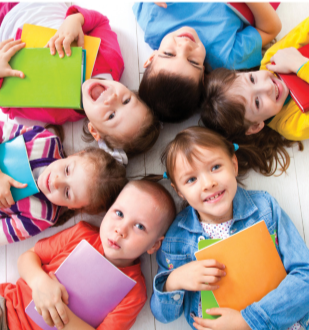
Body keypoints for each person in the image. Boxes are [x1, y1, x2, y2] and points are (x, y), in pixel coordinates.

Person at [150, 126, 309, 330]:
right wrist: (173, 281)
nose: (208, 183)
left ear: (233, 164)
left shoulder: (264, 208)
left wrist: (248, 321)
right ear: (179, 191)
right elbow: (162, 315)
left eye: (215, 167)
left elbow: (305, 275)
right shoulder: (176, 239)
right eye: (191, 179)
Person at [0, 179, 176, 330]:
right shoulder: (82, 234)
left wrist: (60, 312)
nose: (120, 230)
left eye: (139, 226)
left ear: (154, 245)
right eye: (119, 213)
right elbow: (27, 257)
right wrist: (39, 282)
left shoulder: (134, 293)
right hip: (7, 309)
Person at [0, 3, 160, 159]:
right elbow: (100, 21)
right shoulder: (111, 59)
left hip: (5, 34)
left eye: (111, 116)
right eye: (126, 100)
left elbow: (8, 104)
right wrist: (75, 19)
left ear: (94, 130)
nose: (112, 99)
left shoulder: (59, 110)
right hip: (40, 7)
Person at [134, 2, 282, 122]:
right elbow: (270, 29)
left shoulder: (152, 25)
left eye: (168, 54)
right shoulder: (226, 57)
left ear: (151, 58)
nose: (185, 45)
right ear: (203, 74)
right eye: (193, 62)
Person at [0, 119, 127, 245]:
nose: (56, 182)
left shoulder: (43, 215)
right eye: (67, 170)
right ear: (75, 155)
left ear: (74, 207)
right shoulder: (45, 142)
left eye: (67, 193)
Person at [201, 18, 309, 160]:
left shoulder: (271, 60)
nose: (268, 86)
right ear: (256, 126)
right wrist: (299, 65)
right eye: (257, 102)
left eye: (252, 79)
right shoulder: (292, 125)